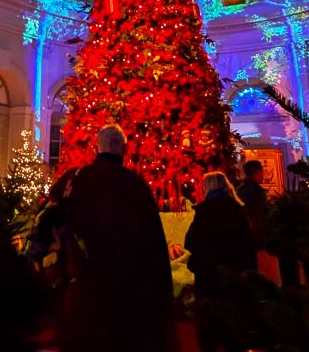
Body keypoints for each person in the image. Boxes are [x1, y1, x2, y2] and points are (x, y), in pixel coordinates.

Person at [49, 126, 176, 352]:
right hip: (125, 293)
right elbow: (152, 244)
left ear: (97, 146)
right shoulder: (134, 186)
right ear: (123, 149)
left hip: (85, 289)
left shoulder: (77, 179)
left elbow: (56, 212)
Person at [185, 172, 257, 352]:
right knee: (233, 326)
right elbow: (247, 244)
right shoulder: (237, 210)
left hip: (209, 276)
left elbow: (191, 241)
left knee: (209, 327)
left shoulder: (205, 211)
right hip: (233, 275)